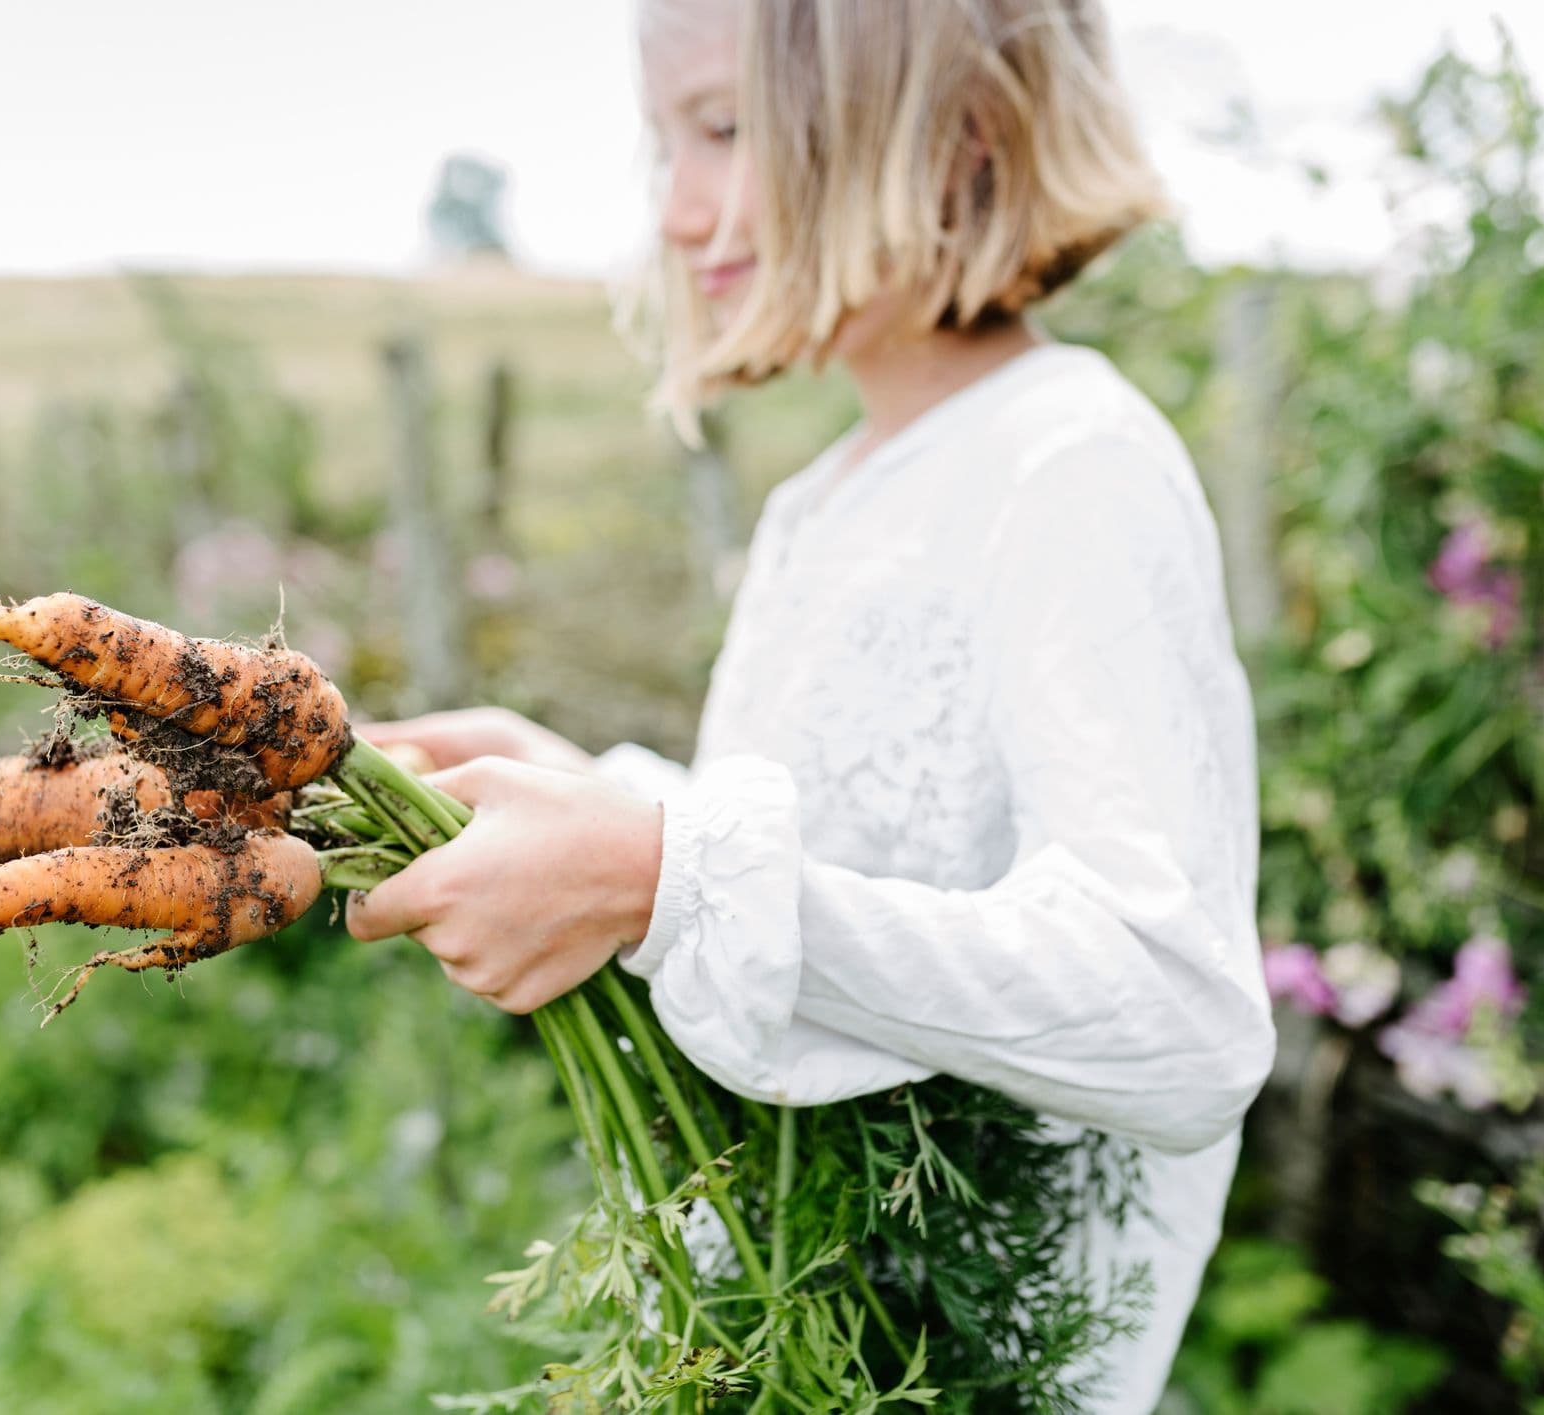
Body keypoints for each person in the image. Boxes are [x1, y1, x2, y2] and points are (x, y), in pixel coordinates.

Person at [344, 0, 1277, 1408]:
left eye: (723, 128)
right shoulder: (821, 504)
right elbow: (835, 859)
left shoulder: (1071, 467)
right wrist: (598, 792)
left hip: (974, 1374)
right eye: (665, 148)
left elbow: (1178, 1013)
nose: (675, 210)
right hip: (805, 1354)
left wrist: (654, 873)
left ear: (955, 125)